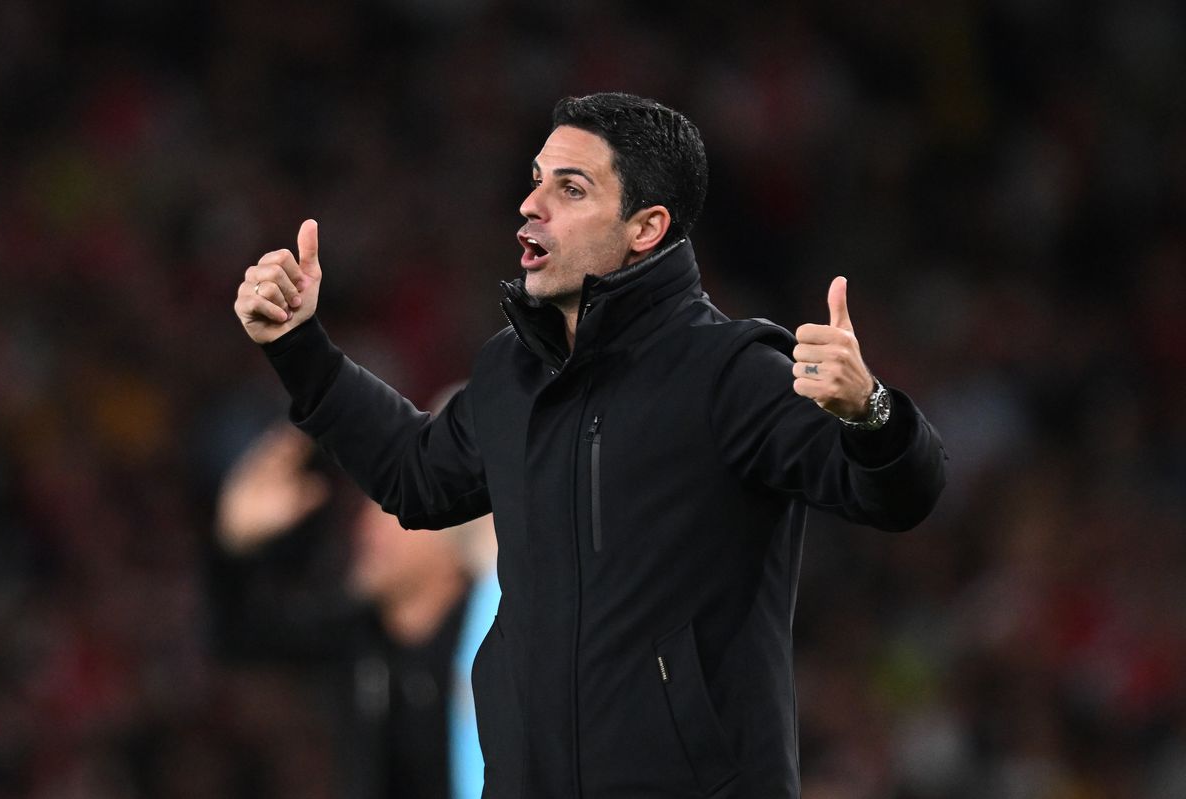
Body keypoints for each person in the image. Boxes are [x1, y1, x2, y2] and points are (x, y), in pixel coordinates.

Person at [232, 92, 946, 798]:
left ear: (646, 227)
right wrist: (301, 349)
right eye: (536, 179)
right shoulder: (510, 374)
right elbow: (416, 477)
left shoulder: (732, 372)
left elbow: (898, 495)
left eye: (570, 188)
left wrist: (872, 412)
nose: (532, 204)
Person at [210, 417, 500, 799]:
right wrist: (236, 547)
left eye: (396, 507)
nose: (368, 526)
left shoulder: (500, 635)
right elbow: (242, 637)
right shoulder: (360, 641)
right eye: (365, 506)